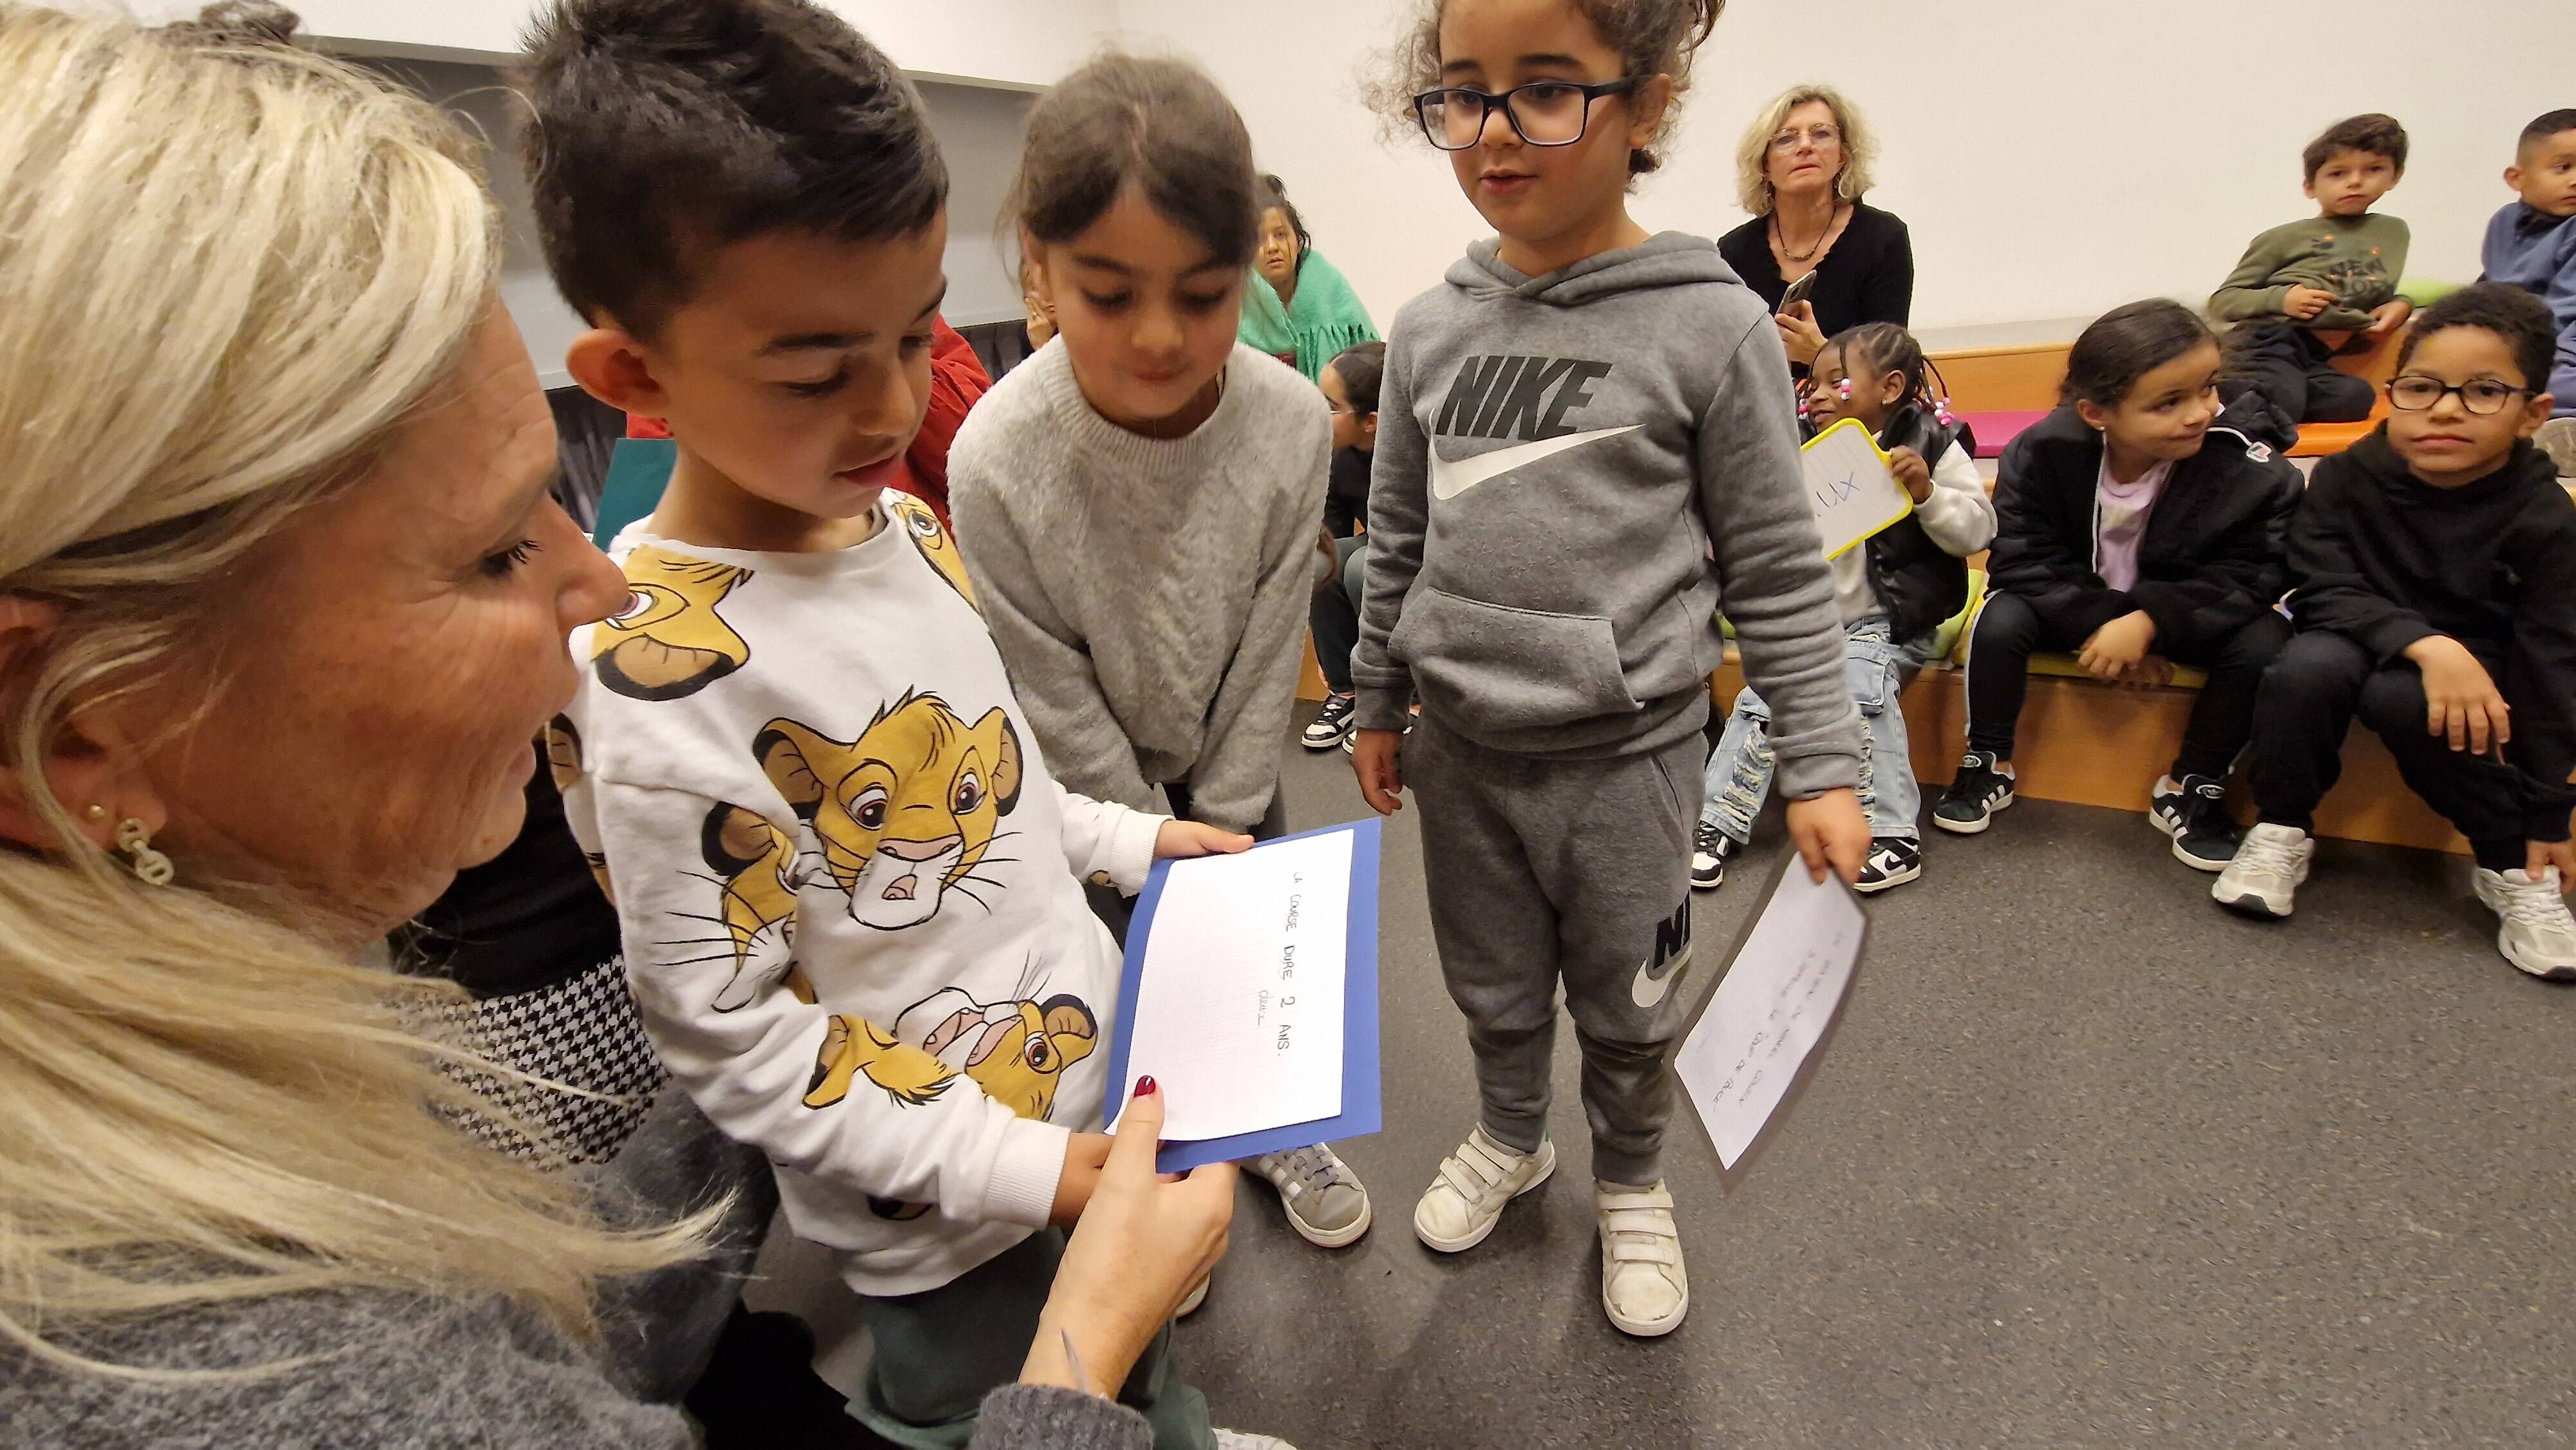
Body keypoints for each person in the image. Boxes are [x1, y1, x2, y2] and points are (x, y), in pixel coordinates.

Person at [518, 6, 1283, 1447]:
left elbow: (998, 791)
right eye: (817, 370)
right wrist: (1040, 1174)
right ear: (635, 379)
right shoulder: (650, 677)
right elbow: (734, 1041)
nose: (890, 404)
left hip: (1085, 1082)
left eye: (917, 330)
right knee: (996, 1399)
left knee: (1142, 1356)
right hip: (940, 1205)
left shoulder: (900, 526)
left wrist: (1131, 836)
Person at [1358, 0, 1869, 1340]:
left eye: (1544, 90)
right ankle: (1512, 1135)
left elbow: (1774, 563)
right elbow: (1395, 541)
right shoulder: (1426, 328)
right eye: (1462, 93)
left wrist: (1820, 758)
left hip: (1627, 762)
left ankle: (1632, 1180)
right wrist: (1372, 699)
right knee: (1488, 982)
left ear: (1643, 106)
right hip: (1462, 755)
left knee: (1632, 1001)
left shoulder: (1710, 327)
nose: (1493, 130)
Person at [948, 55, 1374, 1257]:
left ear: (1251, 266)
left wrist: (1228, 821)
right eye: (1109, 291)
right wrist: (1143, 842)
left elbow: (1266, 635)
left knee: (1252, 981)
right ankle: (1155, 1178)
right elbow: (1049, 682)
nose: (1158, 337)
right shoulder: (996, 458)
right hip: (1089, 791)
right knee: (1128, 998)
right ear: (1038, 264)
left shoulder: (1289, 419)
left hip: (1236, 763)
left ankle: (1273, 1126)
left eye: (1203, 294)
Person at [2217, 285, 2576, 979]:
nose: (2444, 408)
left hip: (2476, 671)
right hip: (2355, 636)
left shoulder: (2544, 515)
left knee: (2401, 698)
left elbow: (2550, 659)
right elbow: (2318, 584)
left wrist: (2548, 814)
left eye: (2483, 391)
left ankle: (2506, 863)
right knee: (2303, 668)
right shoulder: (2348, 475)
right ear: (2391, 393)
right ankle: (2280, 824)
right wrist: (2424, 643)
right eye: (2421, 387)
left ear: (2532, 413)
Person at [1933, 301, 2300, 867]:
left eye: (2208, 388)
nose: (2200, 413)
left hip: (2183, 616)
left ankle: (2193, 784)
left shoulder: (2251, 469)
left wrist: (2149, 623)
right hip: (2076, 610)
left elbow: (2252, 574)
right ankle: (1988, 758)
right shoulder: (2044, 450)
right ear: (2097, 411)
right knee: (2001, 614)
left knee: (2266, 640)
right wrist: (2104, 622)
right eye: (2168, 403)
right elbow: (2023, 556)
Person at [1694, 323, 1994, 895]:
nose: (1818, 393)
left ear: (1891, 387)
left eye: (1839, 381)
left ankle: (1891, 834)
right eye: (1813, 382)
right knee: (1763, 694)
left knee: (1859, 685)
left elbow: (1979, 530)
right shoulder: (1797, 443)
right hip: (1811, 625)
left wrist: (1926, 494)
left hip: (1895, 622)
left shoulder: (1933, 443)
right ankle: (1715, 823)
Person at [2210, 114, 2414, 426]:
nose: (2355, 181)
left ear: (2396, 176)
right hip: (2267, 340)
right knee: (2283, 401)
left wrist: (2403, 304)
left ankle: (2264, 399)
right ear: (2310, 187)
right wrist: (2283, 300)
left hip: (2314, 356)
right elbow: (2223, 301)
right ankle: (2228, 401)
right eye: (2337, 173)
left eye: (2374, 169)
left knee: (2355, 398)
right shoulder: (2283, 238)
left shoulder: (2393, 233)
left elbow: (2372, 289)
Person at [1716, 84, 1911, 372]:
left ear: (1842, 156)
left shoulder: (1883, 238)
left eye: (1821, 134)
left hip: (1851, 415)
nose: (1806, 146)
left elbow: (1892, 369)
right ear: (1765, 166)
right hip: (1760, 413)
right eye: (1785, 139)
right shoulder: (1733, 252)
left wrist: (1821, 355)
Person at [2479, 108, 2576, 477]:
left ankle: (2559, 430)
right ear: (2517, 178)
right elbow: (2491, 283)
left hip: (2563, 341)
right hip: (2516, 341)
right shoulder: (2505, 222)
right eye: (2563, 168)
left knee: (2545, 385)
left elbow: (2565, 312)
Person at [1302, 341, 1386, 751]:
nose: (1319, 414)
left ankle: (1410, 702)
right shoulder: (1340, 454)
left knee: (1362, 567)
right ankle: (1346, 692)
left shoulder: (1413, 451)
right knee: (1324, 563)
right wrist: (1329, 644)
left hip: (1429, 551)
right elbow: (1329, 536)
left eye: (1331, 406)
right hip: (1381, 543)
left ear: (1371, 421)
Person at [1236, 174, 1381, 382]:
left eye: (1280, 235)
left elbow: (1372, 378)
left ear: (1297, 238)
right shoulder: (1233, 305)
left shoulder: (1332, 290)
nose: (1272, 247)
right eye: (1259, 239)